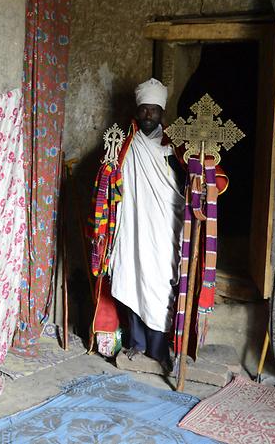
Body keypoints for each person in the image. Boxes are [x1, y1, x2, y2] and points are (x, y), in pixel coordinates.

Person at [89, 78, 226, 372]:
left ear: (162, 113)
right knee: (132, 279)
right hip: (132, 225)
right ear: (138, 111)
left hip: (166, 227)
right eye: (144, 110)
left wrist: (200, 181)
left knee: (161, 285)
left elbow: (199, 182)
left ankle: (161, 348)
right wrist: (108, 171)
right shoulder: (125, 144)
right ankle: (136, 344)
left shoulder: (176, 146)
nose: (148, 115)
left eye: (154, 110)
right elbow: (108, 179)